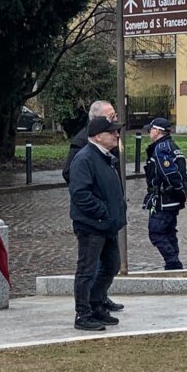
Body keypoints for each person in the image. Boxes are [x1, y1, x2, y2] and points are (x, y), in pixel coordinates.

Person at [67, 114, 127, 331]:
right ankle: (83, 313)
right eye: (112, 132)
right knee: (86, 270)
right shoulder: (85, 158)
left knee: (111, 264)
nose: (116, 135)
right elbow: (80, 194)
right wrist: (103, 212)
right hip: (92, 226)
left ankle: (97, 303)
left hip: (107, 225)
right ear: (98, 136)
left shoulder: (105, 156)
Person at [142, 118, 187, 270]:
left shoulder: (161, 148)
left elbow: (170, 174)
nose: (149, 132)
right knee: (169, 231)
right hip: (171, 198)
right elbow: (183, 173)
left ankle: (173, 262)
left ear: (157, 131)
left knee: (156, 231)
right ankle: (174, 262)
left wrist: (181, 192)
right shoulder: (172, 146)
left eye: (150, 130)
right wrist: (185, 192)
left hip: (164, 199)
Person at [60, 100, 119, 184]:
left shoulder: (112, 135)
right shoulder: (81, 141)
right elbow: (68, 173)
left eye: (115, 115)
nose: (115, 119)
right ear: (96, 119)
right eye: (111, 116)